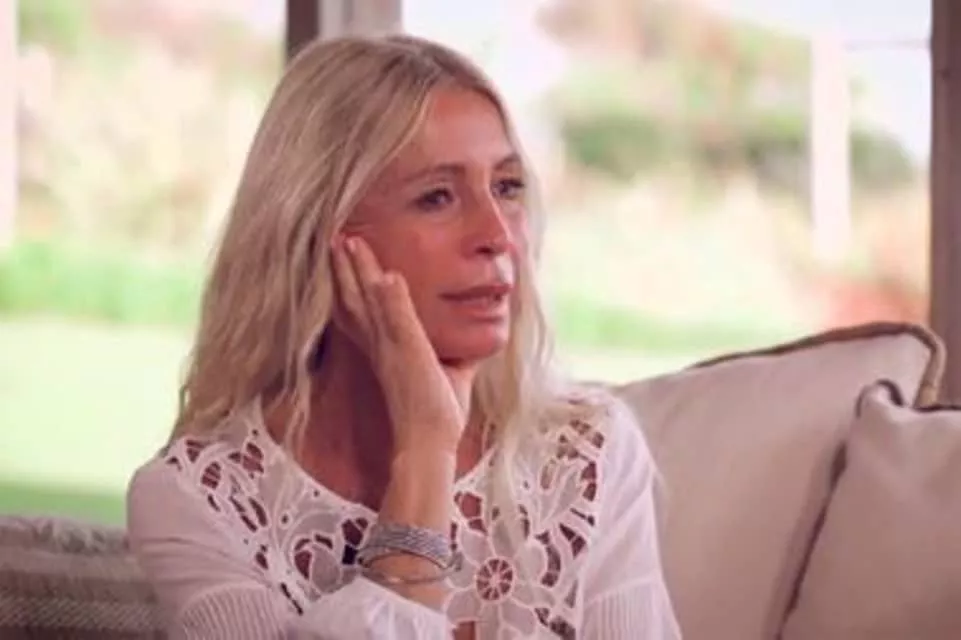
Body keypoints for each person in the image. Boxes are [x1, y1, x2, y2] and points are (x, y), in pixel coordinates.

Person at [126, 33, 681, 640]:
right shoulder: (195, 501)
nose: (497, 235)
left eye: (507, 187)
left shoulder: (587, 457)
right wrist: (426, 451)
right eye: (437, 197)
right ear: (320, 236)